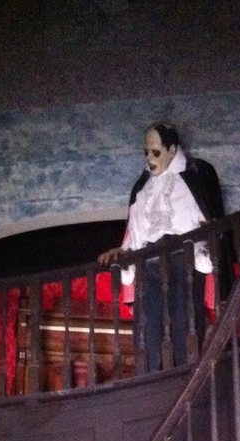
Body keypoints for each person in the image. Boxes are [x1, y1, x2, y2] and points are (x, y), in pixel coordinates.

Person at [98, 122, 230, 372]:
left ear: (171, 151)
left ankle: (187, 378)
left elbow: (209, 220)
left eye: (156, 152)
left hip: (184, 259)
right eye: (146, 152)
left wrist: (209, 239)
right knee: (147, 330)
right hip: (148, 261)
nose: (149, 158)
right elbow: (134, 232)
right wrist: (122, 252)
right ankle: (148, 380)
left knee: (184, 324)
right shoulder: (142, 188)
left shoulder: (195, 177)